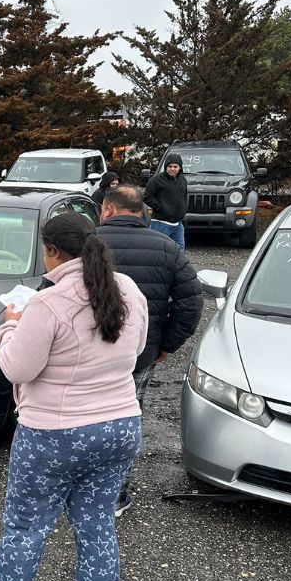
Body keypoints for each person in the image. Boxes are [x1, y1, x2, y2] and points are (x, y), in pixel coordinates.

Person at [0, 213, 148, 581]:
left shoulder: (46, 304)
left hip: (54, 434)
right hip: (120, 426)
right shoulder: (127, 289)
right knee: (97, 528)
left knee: (26, 529)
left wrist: (10, 322)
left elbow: (16, 366)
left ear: (51, 252)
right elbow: (138, 348)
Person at [97, 184, 202, 515]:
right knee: (126, 419)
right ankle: (115, 494)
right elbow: (191, 302)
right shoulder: (168, 248)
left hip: (85, 352)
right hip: (140, 353)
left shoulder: (88, 243)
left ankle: (80, 489)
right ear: (142, 210)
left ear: (109, 210)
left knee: (81, 416)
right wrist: (166, 344)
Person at [143, 153, 187, 249]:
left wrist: (184, 209)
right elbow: (147, 197)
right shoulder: (156, 180)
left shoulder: (183, 179)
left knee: (180, 252)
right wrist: (161, 208)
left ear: (180, 167)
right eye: (170, 166)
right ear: (166, 167)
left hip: (178, 224)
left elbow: (184, 196)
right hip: (160, 223)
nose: (172, 169)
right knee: (157, 250)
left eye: (175, 166)